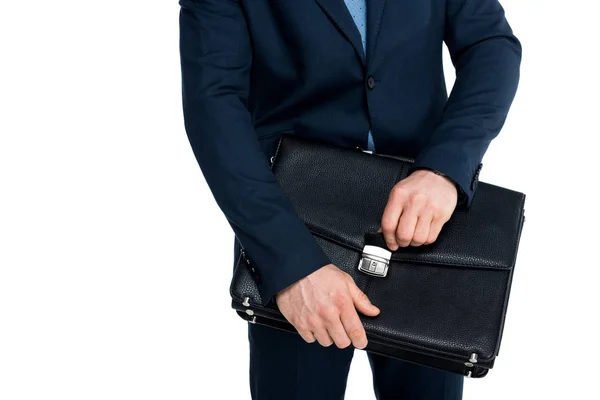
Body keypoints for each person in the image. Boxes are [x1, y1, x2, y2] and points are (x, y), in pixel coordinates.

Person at [178, 0, 521, 398]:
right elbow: (213, 106)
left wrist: (444, 169)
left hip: (424, 223)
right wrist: (290, 265)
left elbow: (490, 44)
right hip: (296, 229)